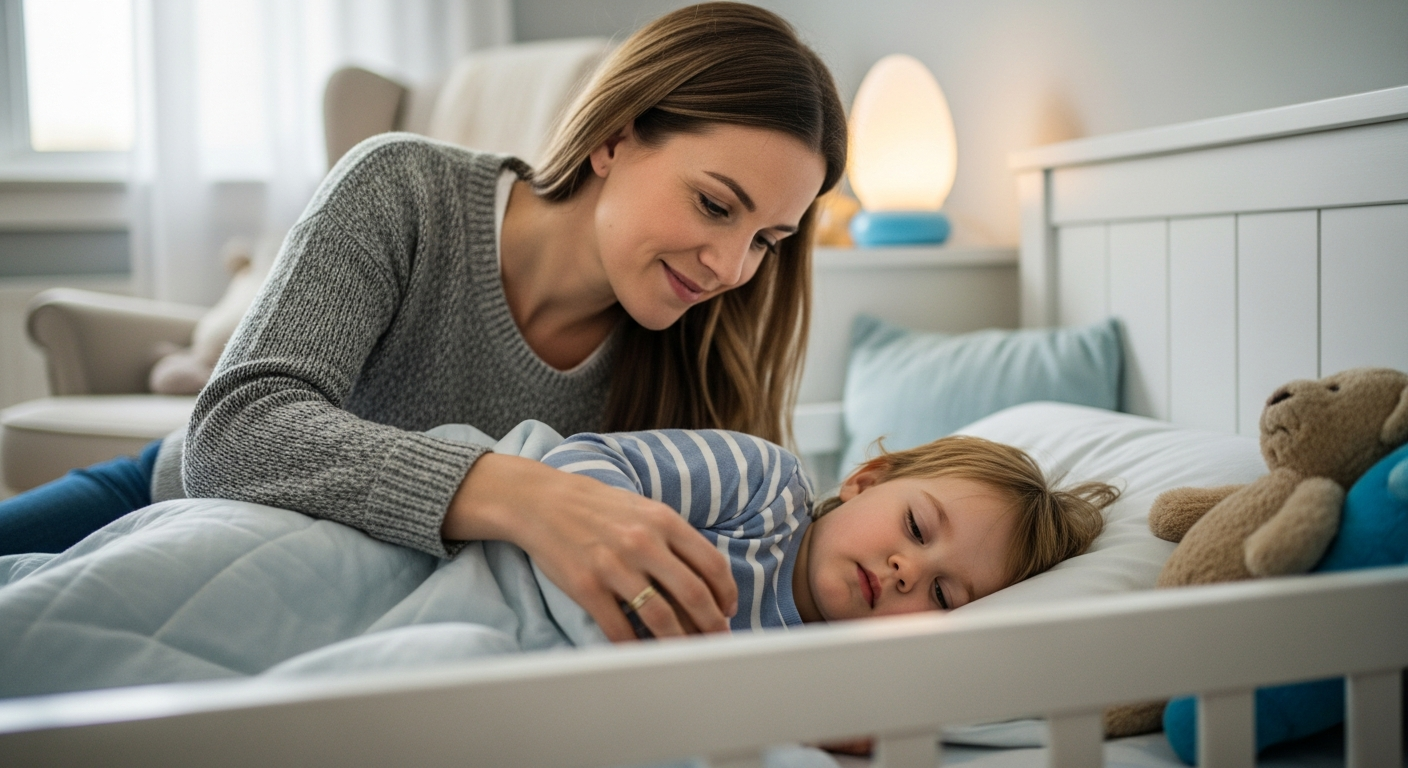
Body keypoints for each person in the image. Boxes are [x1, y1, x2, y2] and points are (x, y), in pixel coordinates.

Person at [0, 2, 848, 644]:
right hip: (182, 510)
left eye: (766, 240)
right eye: (713, 204)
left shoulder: (704, 350)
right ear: (616, 139)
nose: (732, 269)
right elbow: (235, 434)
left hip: (368, 623)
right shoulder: (405, 189)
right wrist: (527, 496)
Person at [542, 429, 1116, 632]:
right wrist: (618, 532)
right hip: (524, 558)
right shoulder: (764, 487)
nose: (907, 571)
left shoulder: (825, 674)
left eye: (943, 595)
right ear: (867, 481)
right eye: (916, 527)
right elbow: (582, 459)